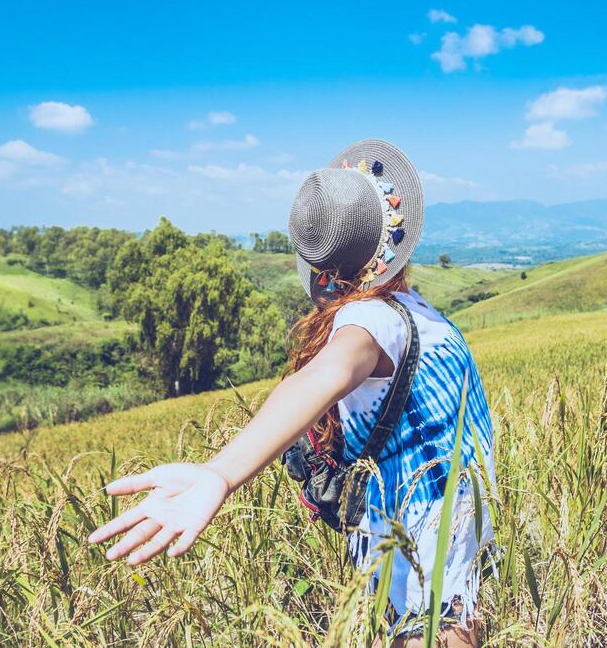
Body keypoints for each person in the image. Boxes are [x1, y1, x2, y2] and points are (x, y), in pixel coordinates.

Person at [89, 138, 497, 645]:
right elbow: (320, 378)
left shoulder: (406, 309)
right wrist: (220, 473)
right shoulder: (369, 321)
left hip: (450, 543)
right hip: (420, 562)